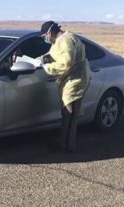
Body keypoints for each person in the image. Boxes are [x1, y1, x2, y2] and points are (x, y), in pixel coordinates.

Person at [39, 21, 90, 152]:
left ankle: (68, 145)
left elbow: (66, 63)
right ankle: (64, 142)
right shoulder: (59, 40)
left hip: (75, 80)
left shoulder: (66, 41)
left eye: (44, 36)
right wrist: (40, 59)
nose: (45, 39)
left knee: (69, 113)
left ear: (50, 33)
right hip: (68, 79)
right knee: (67, 113)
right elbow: (51, 55)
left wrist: (46, 67)